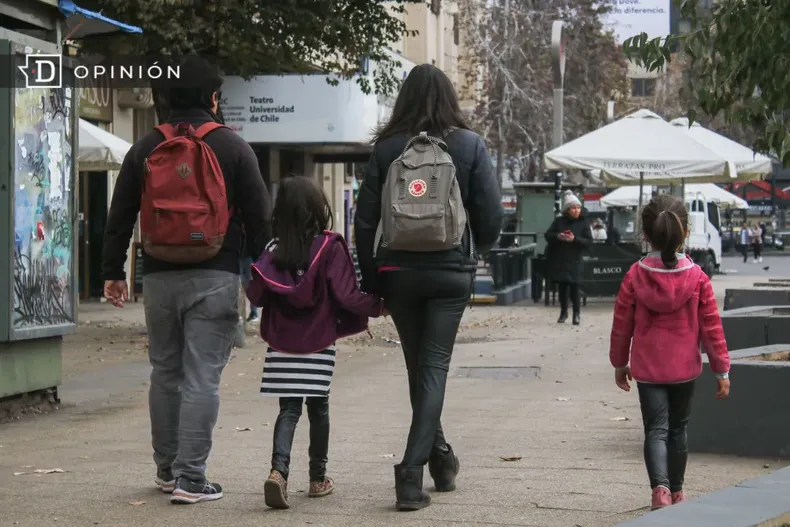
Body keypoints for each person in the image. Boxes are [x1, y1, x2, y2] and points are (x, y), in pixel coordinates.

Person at [101, 56, 272, 504]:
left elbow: (119, 216)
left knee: (165, 373)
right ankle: (192, 479)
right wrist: (271, 281)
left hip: (157, 278)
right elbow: (261, 222)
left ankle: (166, 469)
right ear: (213, 97)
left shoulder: (145, 147)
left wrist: (112, 274)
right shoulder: (233, 148)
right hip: (215, 275)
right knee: (202, 378)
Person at [354, 64, 503, 511]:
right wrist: (476, 249)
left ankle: (440, 460)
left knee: (418, 368)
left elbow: (365, 222)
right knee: (433, 368)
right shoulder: (469, 144)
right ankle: (412, 471)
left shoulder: (386, 149)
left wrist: (372, 281)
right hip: (450, 271)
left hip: (398, 273)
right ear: (449, 98)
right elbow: (491, 215)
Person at [245, 176, 385, 510]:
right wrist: (380, 305)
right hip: (319, 341)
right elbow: (347, 295)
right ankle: (317, 478)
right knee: (318, 407)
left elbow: (260, 295)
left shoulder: (274, 249)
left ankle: (278, 472)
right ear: (316, 209)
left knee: (288, 409)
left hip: (281, 342)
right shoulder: (329, 246)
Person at [609, 194, 730, 511]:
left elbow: (621, 325)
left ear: (646, 234)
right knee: (679, 429)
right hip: (684, 369)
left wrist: (620, 363)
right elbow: (712, 328)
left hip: (648, 369)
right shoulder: (698, 278)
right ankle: (677, 491)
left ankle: (659, 490)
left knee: (656, 430)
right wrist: (721, 370)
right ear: (685, 232)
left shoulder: (635, 277)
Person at [544, 191, 593, 325]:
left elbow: (589, 241)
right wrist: (558, 236)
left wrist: (575, 239)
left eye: (578, 207)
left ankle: (576, 314)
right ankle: (563, 312)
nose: (576, 210)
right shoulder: (559, 221)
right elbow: (548, 235)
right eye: (573, 208)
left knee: (575, 287)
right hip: (560, 259)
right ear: (567, 209)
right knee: (563, 287)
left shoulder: (584, 223)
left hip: (575, 259)